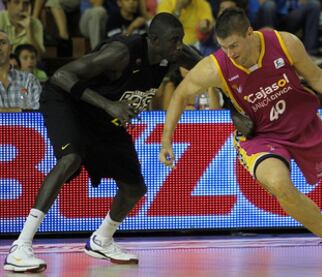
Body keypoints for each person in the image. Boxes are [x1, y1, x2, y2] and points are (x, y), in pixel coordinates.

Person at [159, 8, 322, 270]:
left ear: (250, 33)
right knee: (279, 184)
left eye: (234, 45)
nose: (230, 52)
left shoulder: (284, 42)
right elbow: (180, 94)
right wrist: (167, 139)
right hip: (260, 136)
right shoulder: (216, 66)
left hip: (303, 124)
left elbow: (317, 77)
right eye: (224, 47)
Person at [3, 12, 197, 273]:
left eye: (181, 40)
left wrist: (237, 107)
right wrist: (110, 105)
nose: (179, 46)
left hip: (102, 114)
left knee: (134, 188)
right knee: (70, 159)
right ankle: (20, 246)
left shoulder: (176, 54)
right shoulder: (121, 52)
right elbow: (61, 76)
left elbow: (217, 69)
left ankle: (101, 239)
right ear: (153, 39)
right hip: (66, 101)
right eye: (174, 40)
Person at [0, 30, 42, 111]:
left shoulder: (29, 79)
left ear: (11, 48)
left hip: (24, 124)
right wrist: (19, 110)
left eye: (3, 42)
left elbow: (38, 111)